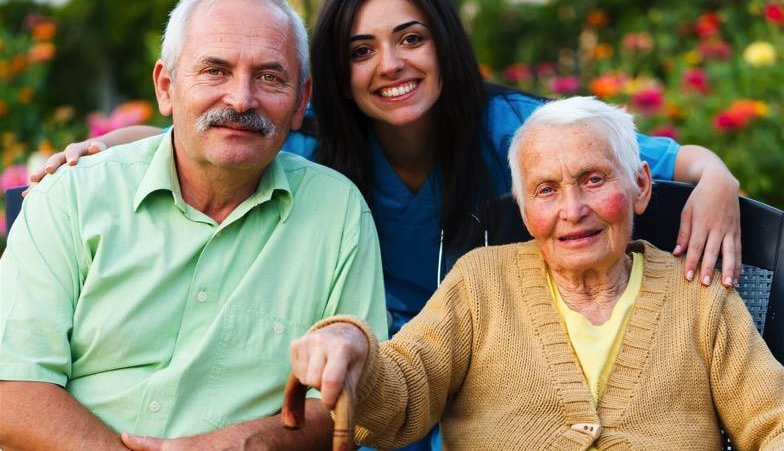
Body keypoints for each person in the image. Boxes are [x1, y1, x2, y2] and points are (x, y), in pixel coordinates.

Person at [27, 0, 742, 451]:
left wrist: (716, 183)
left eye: (411, 39)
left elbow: (653, 158)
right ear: (333, 77)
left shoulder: (517, 131)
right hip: (375, 389)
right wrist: (123, 146)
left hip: (497, 380)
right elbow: (222, 129)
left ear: (444, 46)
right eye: (362, 50)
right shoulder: (317, 155)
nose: (390, 65)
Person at [0, 0, 387, 451]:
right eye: (215, 71)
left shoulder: (336, 211)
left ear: (301, 100)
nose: (242, 99)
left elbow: (349, 396)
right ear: (166, 87)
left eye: (269, 76)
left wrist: (248, 443)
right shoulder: (73, 197)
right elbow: (11, 387)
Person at [289, 97, 784, 451]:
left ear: (639, 185)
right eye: (546, 190)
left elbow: (771, 418)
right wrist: (353, 346)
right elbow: (402, 393)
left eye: (593, 179)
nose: (573, 209)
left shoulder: (699, 295)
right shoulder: (481, 283)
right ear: (524, 211)